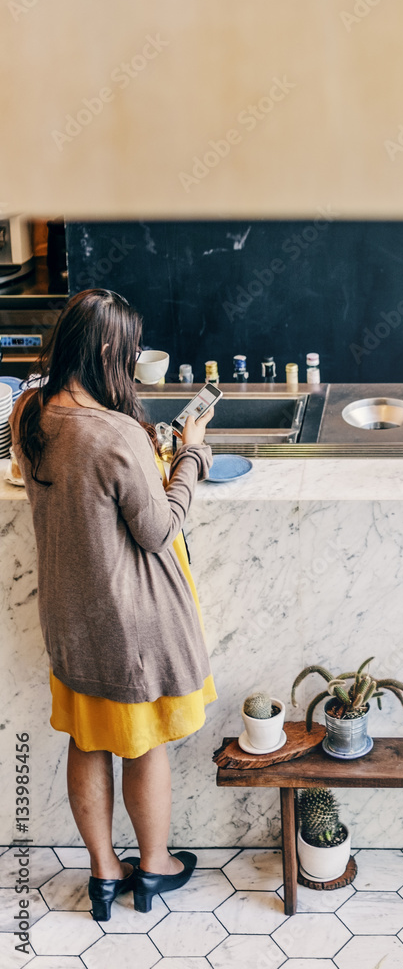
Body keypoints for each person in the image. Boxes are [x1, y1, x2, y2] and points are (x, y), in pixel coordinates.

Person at [9, 288, 216, 921]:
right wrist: (191, 455)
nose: (129, 368)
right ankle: (153, 867)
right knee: (143, 744)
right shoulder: (115, 434)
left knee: (87, 742)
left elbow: (39, 473)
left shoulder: (29, 411)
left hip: (70, 621)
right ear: (105, 351)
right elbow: (157, 529)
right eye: (126, 356)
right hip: (130, 626)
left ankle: (104, 875)